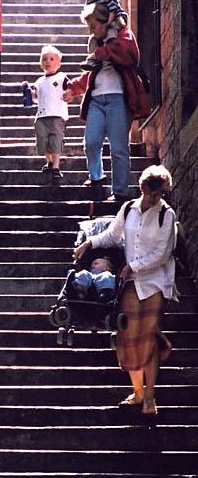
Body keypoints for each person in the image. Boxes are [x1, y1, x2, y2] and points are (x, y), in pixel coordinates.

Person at [73, 165, 176, 415]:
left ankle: (150, 397)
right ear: (143, 189)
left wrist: (133, 266)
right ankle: (138, 392)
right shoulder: (128, 209)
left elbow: (163, 253)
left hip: (155, 281)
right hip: (130, 282)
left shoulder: (166, 214)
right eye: (152, 194)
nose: (156, 199)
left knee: (149, 336)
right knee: (128, 337)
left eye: (160, 194)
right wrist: (89, 242)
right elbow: (112, 235)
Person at [63, 3, 150, 202]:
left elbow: (128, 54)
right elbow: (90, 76)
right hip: (96, 100)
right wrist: (72, 89)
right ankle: (96, 177)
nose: (91, 32)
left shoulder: (123, 35)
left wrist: (99, 53)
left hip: (118, 98)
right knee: (91, 142)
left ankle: (119, 191)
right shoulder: (98, 44)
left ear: (106, 22)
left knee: (119, 147)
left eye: (93, 26)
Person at [21, 45, 69, 181]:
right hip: (41, 116)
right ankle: (49, 161)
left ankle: (56, 166)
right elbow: (35, 98)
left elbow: (69, 87)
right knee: (43, 141)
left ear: (59, 63)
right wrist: (28, 90)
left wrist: (69, 93)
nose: (48, 61)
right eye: (45, 59)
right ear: (40, 63)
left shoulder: (61, 77)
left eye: (52, 59)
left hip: (57, 115)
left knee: (55, 141)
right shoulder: (39, 82)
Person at [81, 0, 128, 70]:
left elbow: (113, 10)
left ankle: (110, 53)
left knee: (111, 32)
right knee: (93, 40)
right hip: (100, 20)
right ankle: (93, 61)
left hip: (113, 19)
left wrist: (106, 24)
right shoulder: (89, 0)